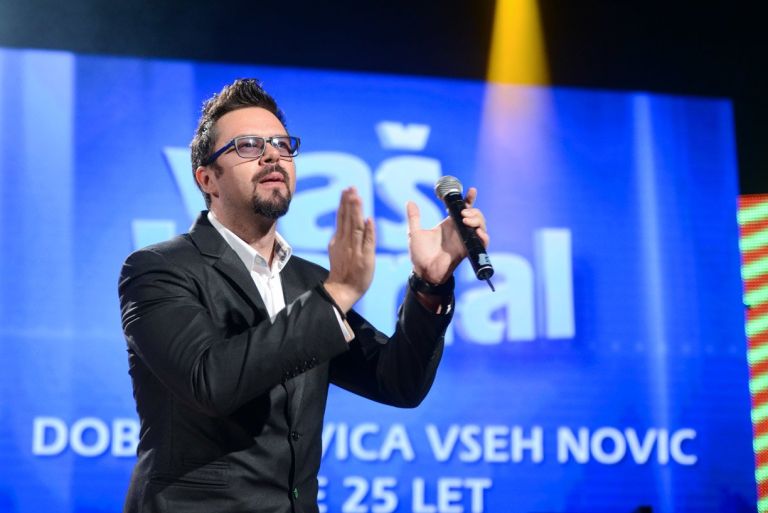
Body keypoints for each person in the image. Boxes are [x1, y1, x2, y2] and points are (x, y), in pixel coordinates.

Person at [118, 78, 489, 513]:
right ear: (208, 179)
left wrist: (430, 284)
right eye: (249, 145)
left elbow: (397, 382)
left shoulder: (308, 281)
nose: (272, 155)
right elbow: (208, 383)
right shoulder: (158, 269)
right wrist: (336, 295)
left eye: (281, 144)